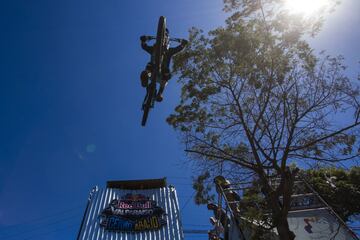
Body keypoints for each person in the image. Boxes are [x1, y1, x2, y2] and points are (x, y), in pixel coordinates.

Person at [140, 29, 188, 102]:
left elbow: (178, 49)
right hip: (152, 71)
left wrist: (183, 44)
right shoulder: (153, 49)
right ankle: (146, 77)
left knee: (167, 72)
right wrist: (143, 40)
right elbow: (144, 46)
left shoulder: (169, 51)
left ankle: (160, 93)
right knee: (149, 65)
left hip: (162, 74)